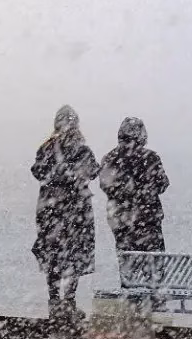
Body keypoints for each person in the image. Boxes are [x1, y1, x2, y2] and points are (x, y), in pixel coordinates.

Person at [31, 105, 100, 319]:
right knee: (74, 256)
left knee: (53, 255)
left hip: (50, 210)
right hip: (76, 211)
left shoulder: (46, 148)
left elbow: (37, 171)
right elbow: (93, 172)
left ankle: (53, 303)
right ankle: (69, 303)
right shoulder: (82, 149)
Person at [99, 117, 169, 254]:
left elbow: (105, 185)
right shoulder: (150, 157)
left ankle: (130, 274)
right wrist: (145, 191)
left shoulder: (110, 158)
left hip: (121, 220)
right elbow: (162, 184)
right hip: (149, 220)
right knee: (154, 264)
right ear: (141, 134)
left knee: (128, 264)